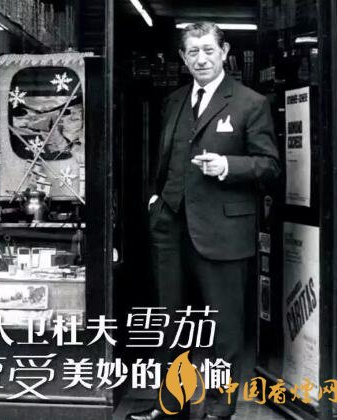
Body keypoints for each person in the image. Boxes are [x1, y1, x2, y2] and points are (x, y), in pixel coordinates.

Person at [126, 22, 280, 420]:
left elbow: (270, 166)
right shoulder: (174, 100)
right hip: (171, 225)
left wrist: (228, 165)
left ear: (224, 52)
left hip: (224, 230)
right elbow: (163, 159)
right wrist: (156, 200)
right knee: (171, 321)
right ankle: (171, 404)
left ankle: (218, 408)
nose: (201, 59)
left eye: (209, 50)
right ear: (183, 57)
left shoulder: (249, 102)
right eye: (193, 51)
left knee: (222, 326)